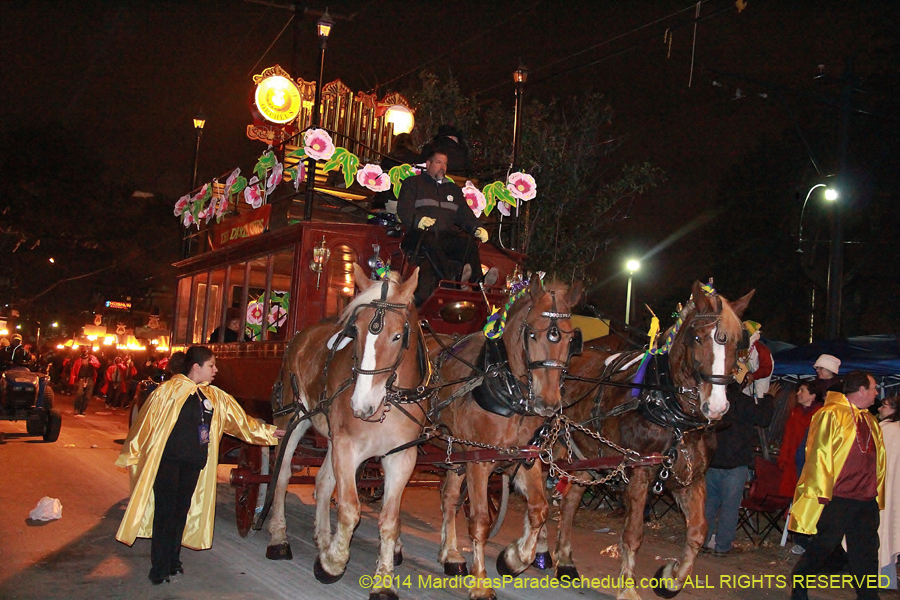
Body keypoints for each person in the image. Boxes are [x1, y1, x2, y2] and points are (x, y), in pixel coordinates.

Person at [115, 346, 285, 585]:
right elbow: (144, 426)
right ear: (196, 367)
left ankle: (173, 561)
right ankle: (159, 568)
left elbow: (241, 423)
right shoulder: (167, 392)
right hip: (167, 464)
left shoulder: (214, 396)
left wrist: (269, 432)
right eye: (211, 366)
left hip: (193, 464)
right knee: (165, 514)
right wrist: (131, 455)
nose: (215, 370)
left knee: (180, 512)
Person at [788, 371, 886, 600]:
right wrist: (821, 492)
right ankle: (800, 580)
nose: (876, 393)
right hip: (838, 497)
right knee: (824, 546)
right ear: (861, 390)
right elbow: (818, 454)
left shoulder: (870, 420)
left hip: (865, 499)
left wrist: (876, 492)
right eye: (873, 388)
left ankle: (868, 596)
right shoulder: (830, 413)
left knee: (866, 551)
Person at [398, 148, 497, 304]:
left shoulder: (453, 190)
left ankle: (479, 283)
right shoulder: (413, 183)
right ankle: (453, 277)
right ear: (428, 164)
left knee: (468, 243)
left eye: (445, 164)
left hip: (444, 237)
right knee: (428, 239)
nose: (442, 167)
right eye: (439, 162)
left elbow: (464, 213)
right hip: (419, 236)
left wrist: (476, 228)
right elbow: (404, 209)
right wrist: (418, 220)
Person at [703, 381, 778, 556]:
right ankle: (723, 546)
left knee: (709, 505)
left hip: (713, 461)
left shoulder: (712, 401)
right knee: (730, 507)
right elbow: (764, 419)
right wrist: (769, 398)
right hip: (735, 464)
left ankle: (701, 541)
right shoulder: (744, 402)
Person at [777, 381, 824, 554]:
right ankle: (799, 539)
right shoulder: (795, 412)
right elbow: (788, 438)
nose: (798, 393)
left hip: (811, 465)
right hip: (794, 463)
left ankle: (812, 539)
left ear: (812, 395)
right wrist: (784, 458)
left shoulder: (820, 414)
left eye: (802, 391)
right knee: (796, 500)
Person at [877, 396, 900, 589]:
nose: (880, 408)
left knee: (883, 532)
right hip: (892, 491)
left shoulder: (889, 431)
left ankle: (883, 579)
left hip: (885, 490)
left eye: (884, 406)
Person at [372, 133, 421, 213]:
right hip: (411, 198)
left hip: (391, 197)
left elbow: (382, 180)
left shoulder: (388, 158)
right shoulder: (417, 158)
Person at [740, 320, 773, 399]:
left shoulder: (762, 350)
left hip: (762, 375)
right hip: (747, 374)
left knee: (760, 395)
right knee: (743, 394)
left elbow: (766, 369)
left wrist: (753, 376)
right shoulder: (741, 348)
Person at [70, 348, 100, 416]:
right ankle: (76, 408)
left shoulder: (92, 358)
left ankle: (83, 410)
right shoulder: (78, 361)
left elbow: (97, 365)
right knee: (79, 394)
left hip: (90, 378)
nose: (85, 353)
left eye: (86, 351)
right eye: (83, 351)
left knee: (87, 396)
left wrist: (91, 361)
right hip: (81, 378)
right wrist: (72, 380)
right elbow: (74, 371)